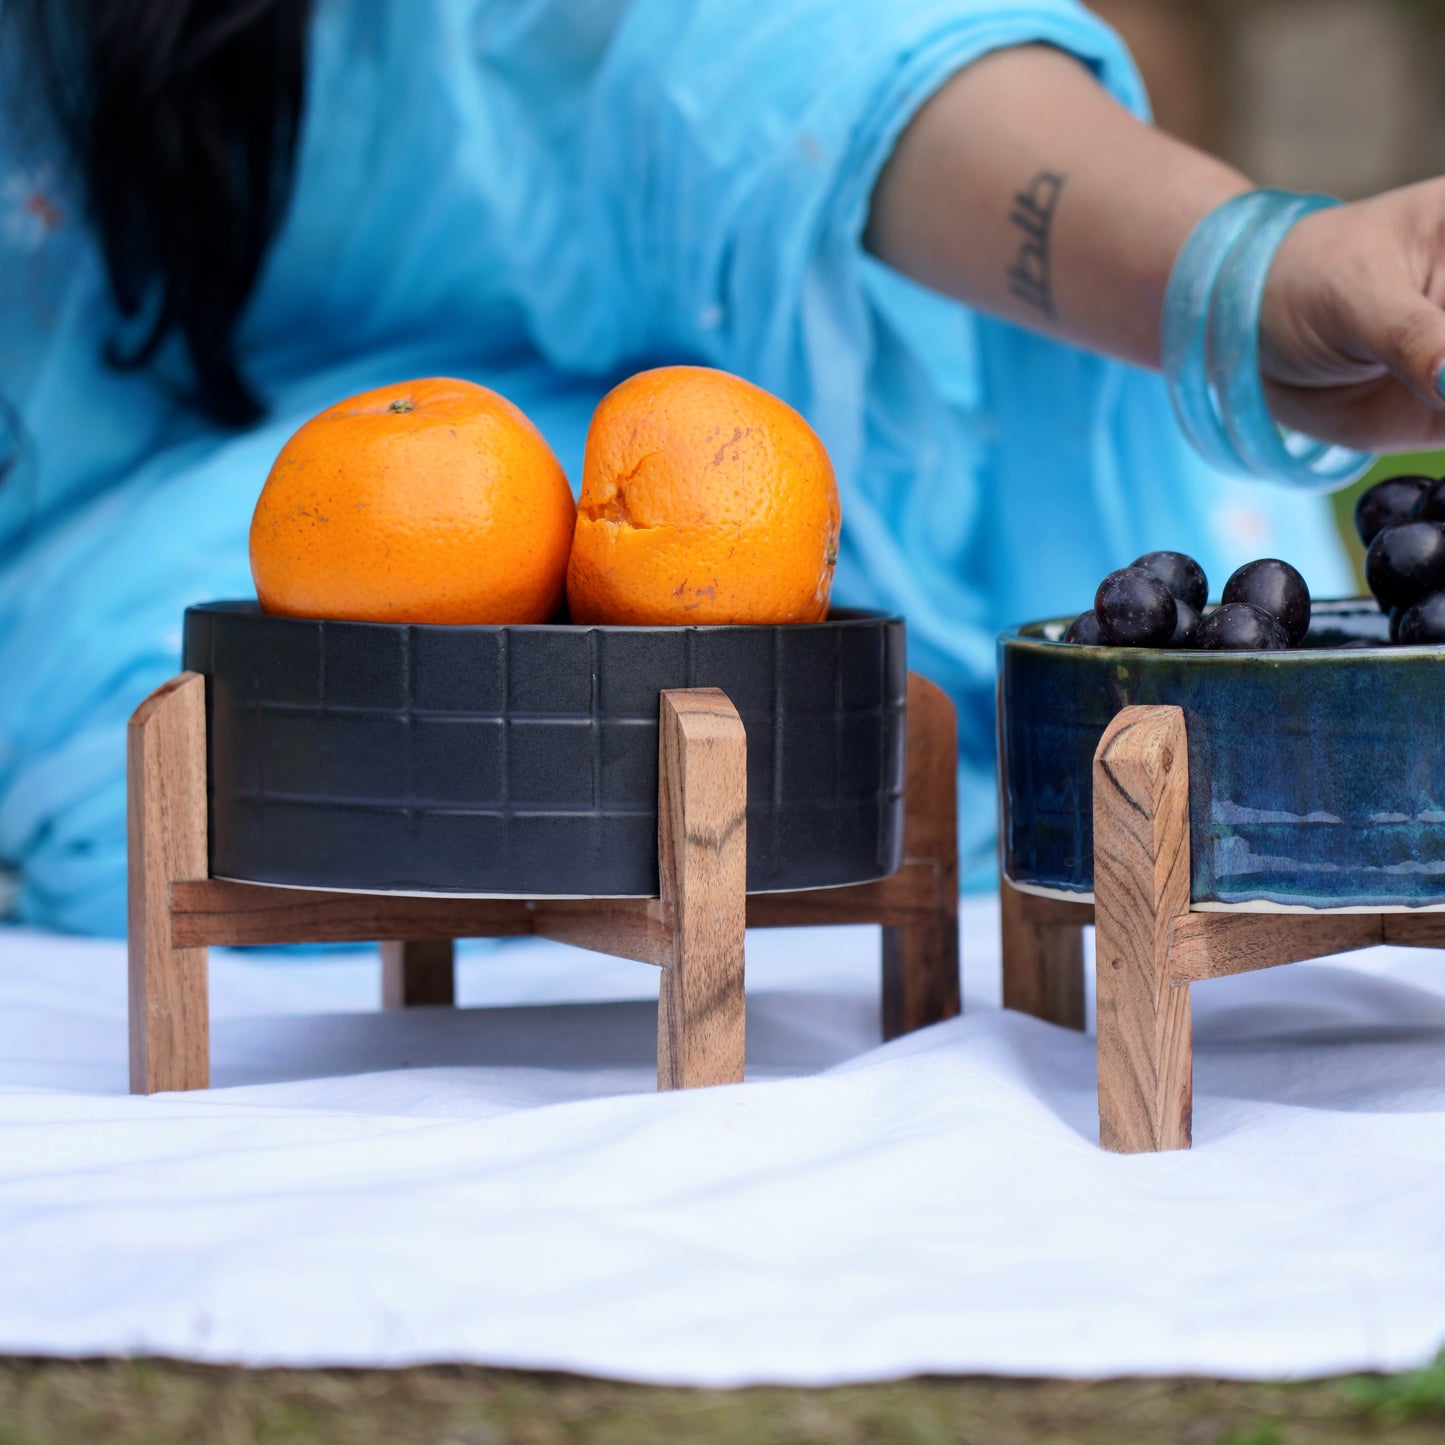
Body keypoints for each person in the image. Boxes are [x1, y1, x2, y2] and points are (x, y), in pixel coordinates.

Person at [2, 0, 1444, 936]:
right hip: (215, 560)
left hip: (763, 451)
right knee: (201, 735)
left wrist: (1233, 275)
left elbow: (739, 67)